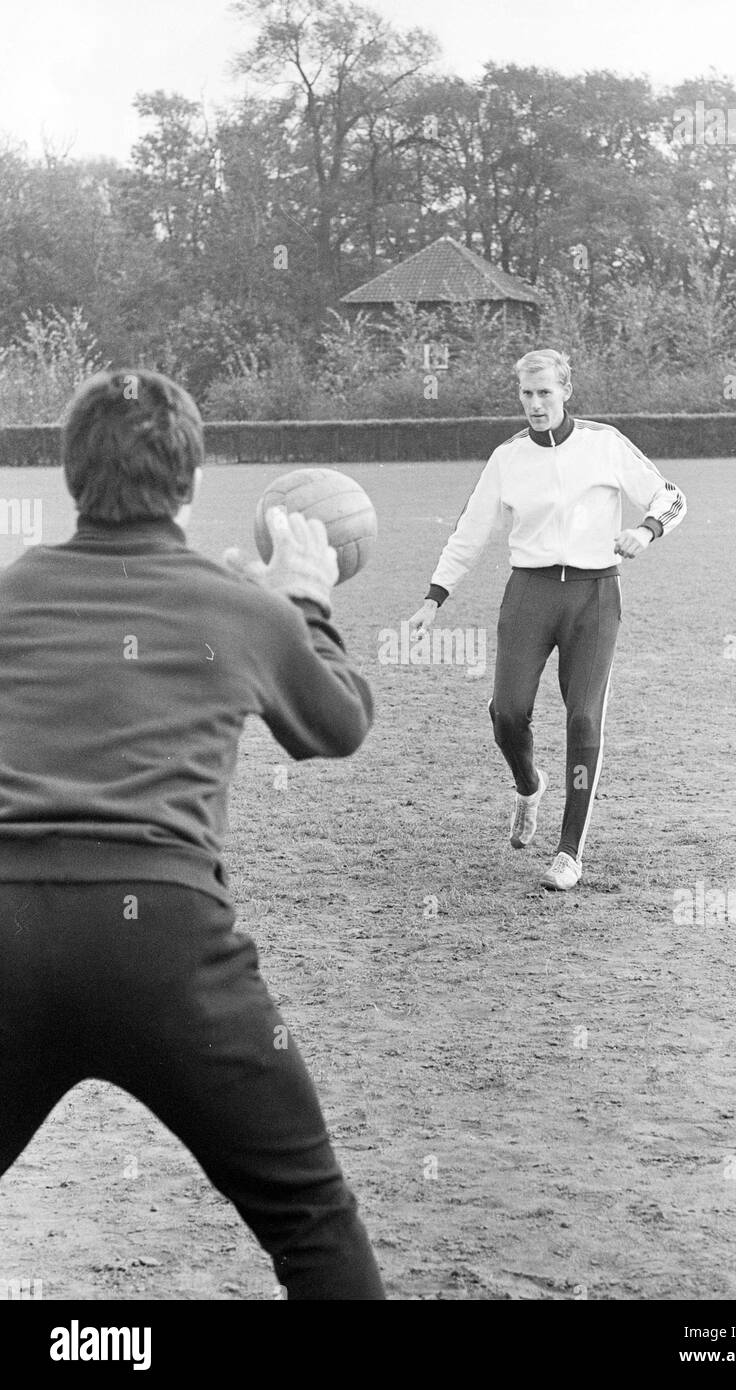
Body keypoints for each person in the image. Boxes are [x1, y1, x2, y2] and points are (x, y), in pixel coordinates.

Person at [0, 369, 385, 1300]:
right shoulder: (237, 606)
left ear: (68, 476)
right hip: (170, 948)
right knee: (311, 1221)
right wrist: (301, 604)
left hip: (7, 933)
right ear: (194, 482)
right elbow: (338, 727)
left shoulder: (9, 594)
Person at [409, 348, 686, 891]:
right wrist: (433, 599)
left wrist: (646, 529)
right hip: (529, 594)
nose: (535, 405)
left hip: (594, 596)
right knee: (508, 714)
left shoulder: (604, 444)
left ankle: (568, 852)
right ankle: (527, 784)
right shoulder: (507, 457)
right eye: (526, 395)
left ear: (566, 392)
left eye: (545, 393)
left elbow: (670, 496)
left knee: (583, 718)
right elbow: (470, 531)